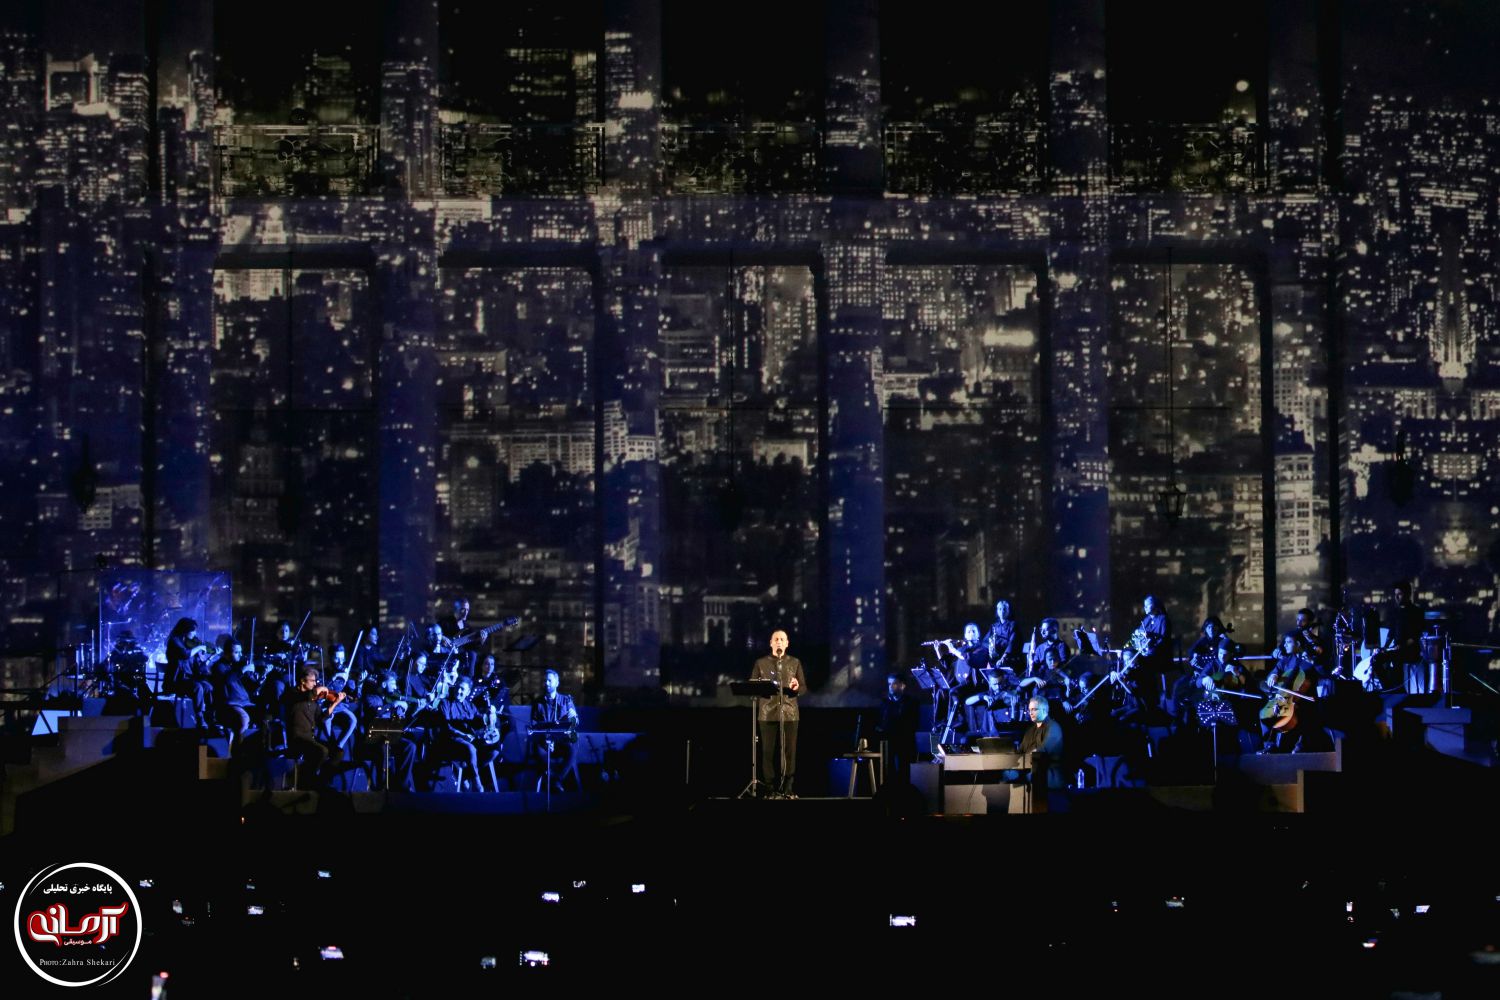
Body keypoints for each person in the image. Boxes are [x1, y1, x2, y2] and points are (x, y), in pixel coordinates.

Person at [750, 630, 807, 798]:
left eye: (782, 639)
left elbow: (803, 687)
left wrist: (797, 687)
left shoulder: (795, 662)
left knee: (789, 752)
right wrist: (761, 687)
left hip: (790, 713)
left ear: (787, 643)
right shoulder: (761, 663)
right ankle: (769, 789)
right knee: (768, 752)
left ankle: (788, 788)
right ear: (771, 643)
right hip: (767, 713)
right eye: (776, 639)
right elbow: (752, 685)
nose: (779, 642)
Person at [531, 668, 579, 791]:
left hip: (561, 742)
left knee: (574, 744)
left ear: (557, 683)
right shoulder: (537, 703)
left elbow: (575, 723)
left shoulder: (566, 700)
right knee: (536, 749)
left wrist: (573, 718)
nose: (546, 683)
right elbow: (534, 726)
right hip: (544, 742)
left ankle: (556, 780)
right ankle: (554, 779)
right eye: (545, 681)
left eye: (549, 680)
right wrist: (546, 740)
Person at [873, 670, 919, 786]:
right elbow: (881, 722)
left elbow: (912, 724)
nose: (890, 686)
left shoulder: (911, 703)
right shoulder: (884, 703)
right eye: (889, 684)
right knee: (888, 770)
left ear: (902, 685)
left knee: (904, 771)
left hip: (905, 742)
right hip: (888, 742)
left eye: (894, 683)